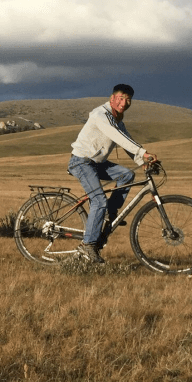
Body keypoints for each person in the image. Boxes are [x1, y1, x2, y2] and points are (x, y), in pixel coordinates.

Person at [68, 84, 158, 264]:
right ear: (112, 99)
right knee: (99, 200)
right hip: (82, 161)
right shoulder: (100, 115)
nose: (124, 103)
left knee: (126, 175)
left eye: (128, 100)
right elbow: (117, 137)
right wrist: (143, 153)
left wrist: (142, 162)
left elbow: (127, 142)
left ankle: (110, 213)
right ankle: (88, 246)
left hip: (96, 163)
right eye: (121, 98)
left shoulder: (118, 120)